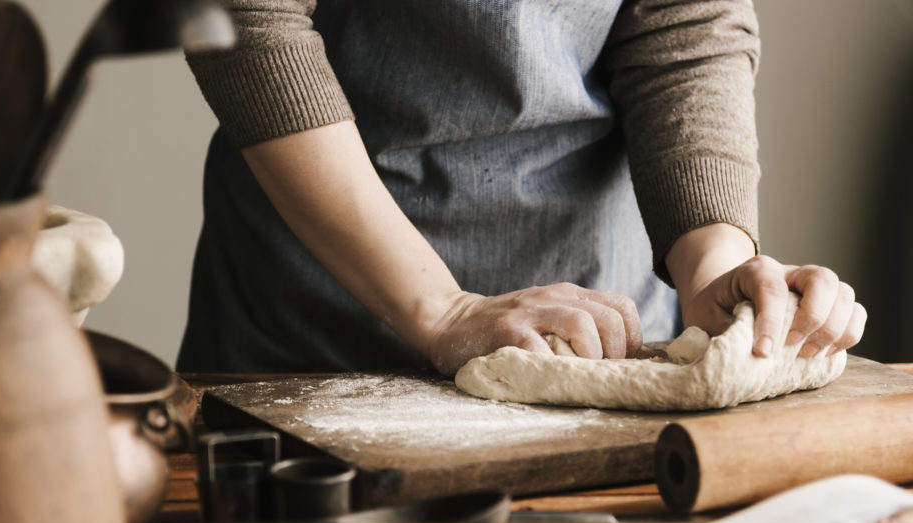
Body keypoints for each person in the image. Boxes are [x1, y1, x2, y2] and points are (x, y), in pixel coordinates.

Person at [176, 0, 866, 376]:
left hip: (603, 340)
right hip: (319, 325)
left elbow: (684, 22)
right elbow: (243, 19)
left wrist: (713, 270)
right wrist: (444, 313)